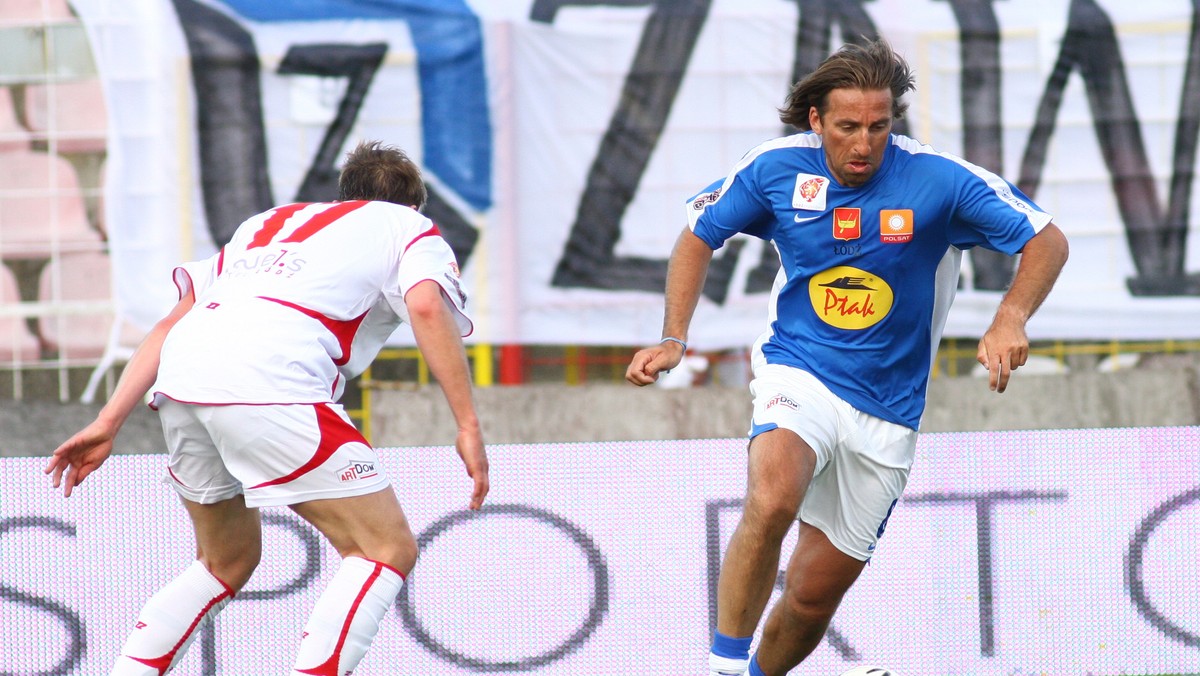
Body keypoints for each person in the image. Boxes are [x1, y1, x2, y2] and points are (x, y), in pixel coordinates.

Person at [626, 39, 1068, 676]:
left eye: (879, 126)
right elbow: (699, 236)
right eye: (848, 126)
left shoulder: (938, 180)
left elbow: (1046, 239)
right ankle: (723, 666)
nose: (864, 143)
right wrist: (674, 338)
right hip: (798, 368)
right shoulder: (777, 169)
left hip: (889, 409)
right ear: (816, 121)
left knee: (810, 598)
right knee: (774, 497)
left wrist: (1010, 317)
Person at [45, 140, 489, 675]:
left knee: (223, 562)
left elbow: (169, 323)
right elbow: (424, 304)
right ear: (412, 206)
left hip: (183, 381)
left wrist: (107, 420)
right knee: (384, 549)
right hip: (274, 379)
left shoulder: (266, 224)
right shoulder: (409, 227)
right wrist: (466, 422)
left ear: (341, 198)